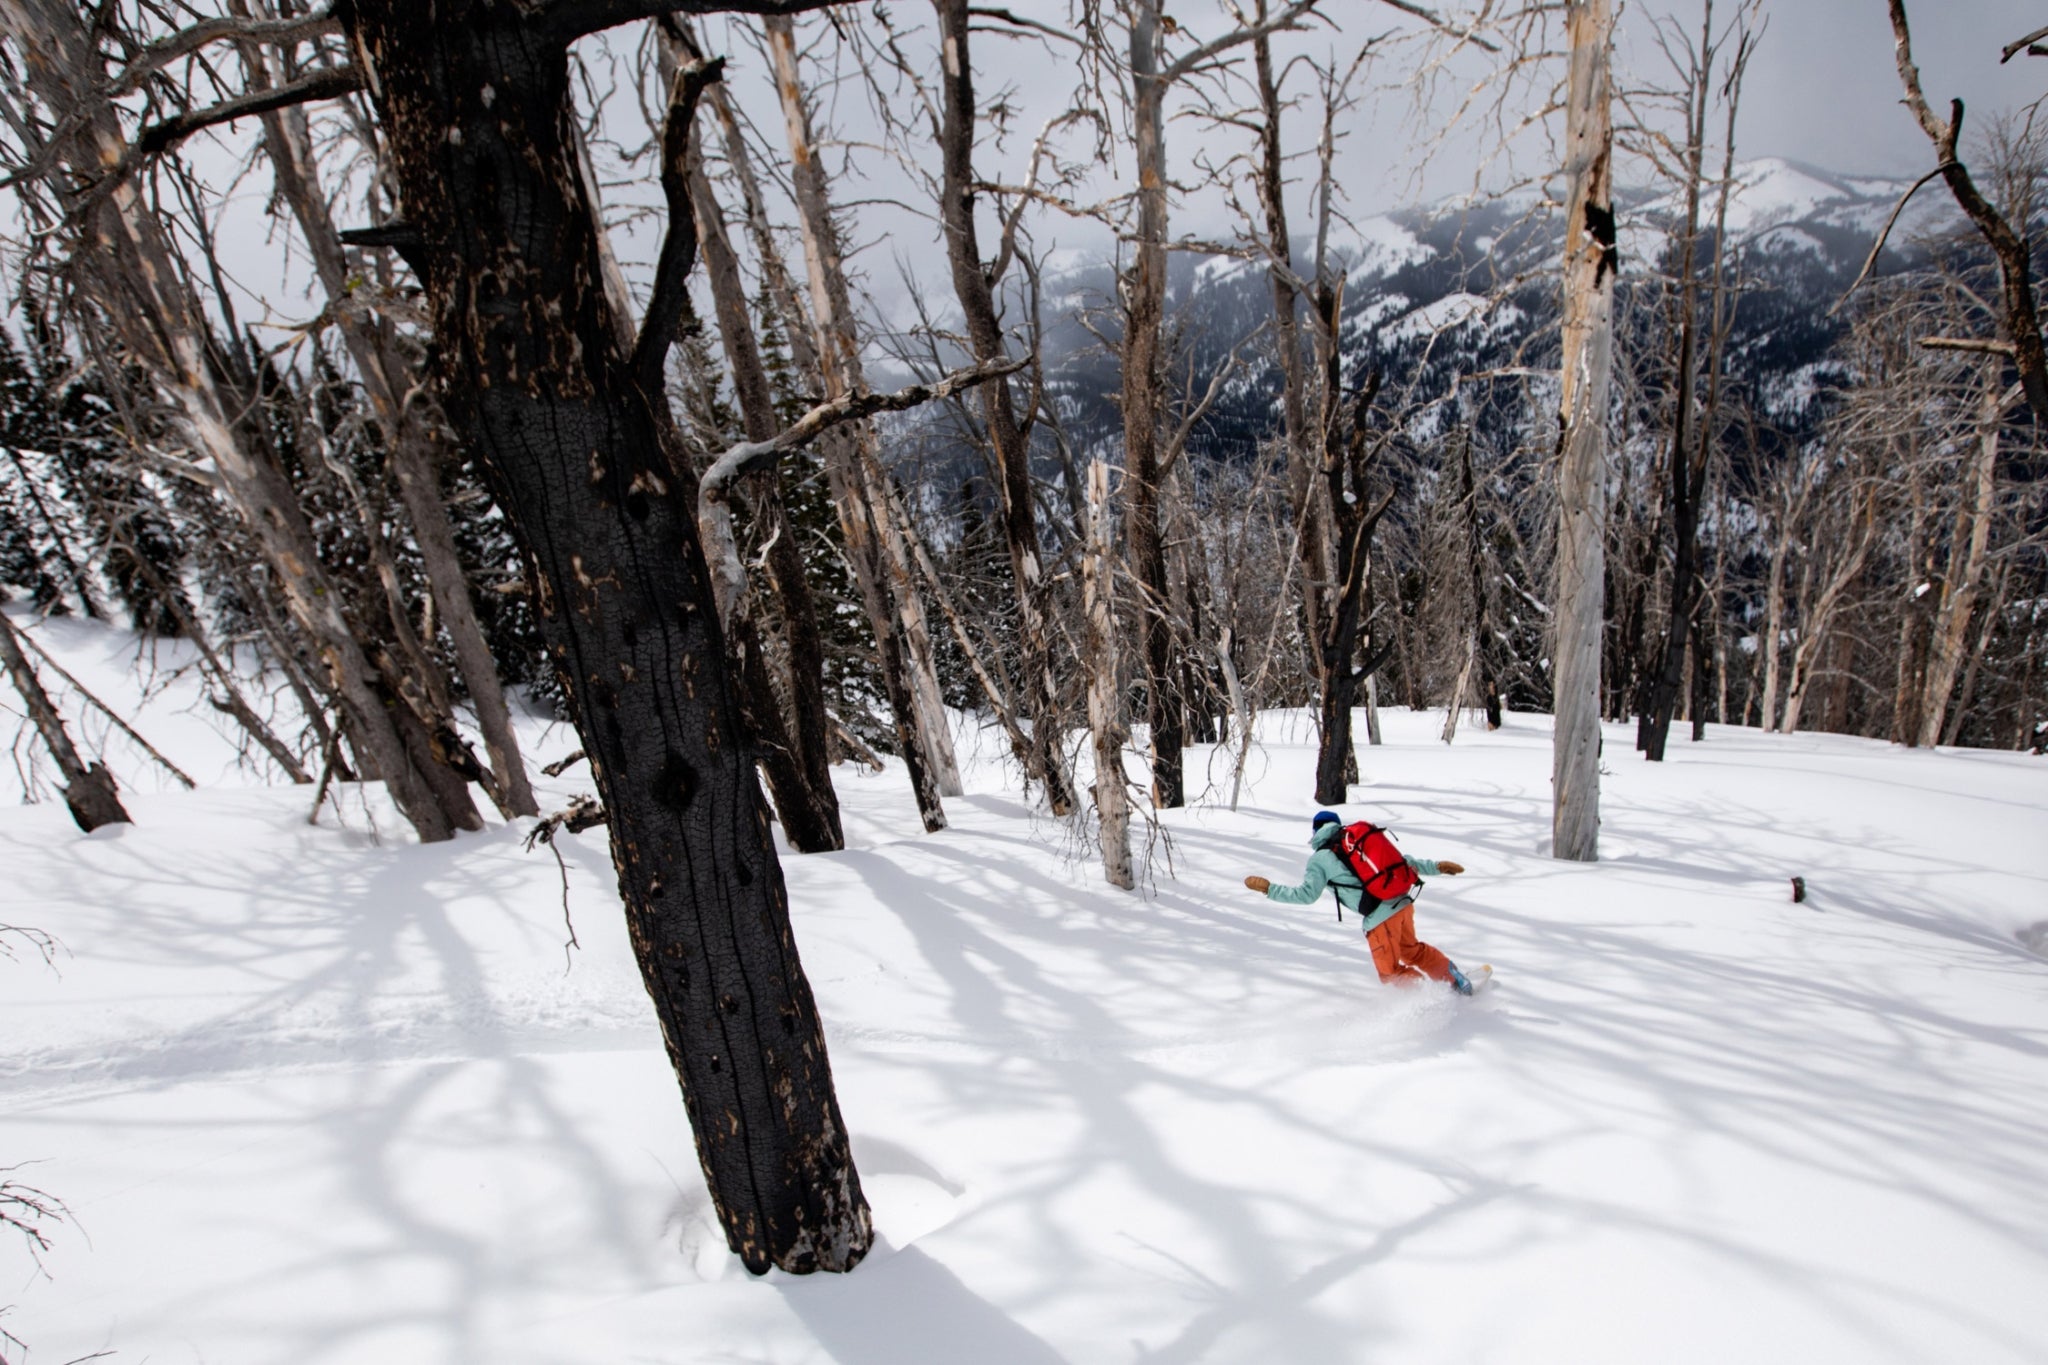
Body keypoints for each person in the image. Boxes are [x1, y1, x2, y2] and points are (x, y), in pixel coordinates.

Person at [1244, 809, 1483, 995]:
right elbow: (1403, 861)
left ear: (1315, 831)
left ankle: (1428, 998)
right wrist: (1437, 867)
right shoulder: (1358, 842)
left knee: (1389, 972)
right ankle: (1455, 980)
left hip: (1381, 918)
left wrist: (1270, 889)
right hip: (1402, 904)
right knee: (1413, 951)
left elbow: (1306, 895)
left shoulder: (1320, 858)